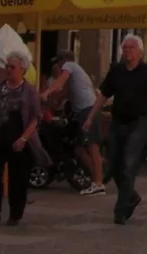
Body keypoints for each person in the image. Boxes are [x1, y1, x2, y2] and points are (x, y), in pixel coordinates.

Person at [100, 33, 147, 226]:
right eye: (124, 48)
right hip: (117, 121)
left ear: (139, 51)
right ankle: (132, 196)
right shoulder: (116, 71)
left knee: (129, 165)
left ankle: (120, 210)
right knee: (113, 166)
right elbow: (103, 95)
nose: (127, 51)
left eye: (130, 48)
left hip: (138, 121)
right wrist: (90, 117)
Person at [0, 49, 41, 226]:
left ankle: (15, 214)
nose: (8, 70)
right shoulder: (0, 86)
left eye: (12, 67)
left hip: (18, 137)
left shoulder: (29, 91)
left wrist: (23, 139)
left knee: (18, 178)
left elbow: (35, 118)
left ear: (22, 69)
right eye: (7, 66)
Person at [44, 53, 105, 196]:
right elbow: (63, 94)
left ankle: (98, 184)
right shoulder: (75, 75)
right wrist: (51, 102)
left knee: (92, 146)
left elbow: (59, 83)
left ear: (64, 61)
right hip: (82, 112)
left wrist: (46, 92)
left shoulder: (69, 66)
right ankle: (95, 178)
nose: (58, 67)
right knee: (78, 148)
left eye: (58, 64)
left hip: (88, 110)